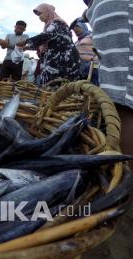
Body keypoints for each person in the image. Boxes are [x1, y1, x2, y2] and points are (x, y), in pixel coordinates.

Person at [83, 0, 133, 168]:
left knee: (125, 101)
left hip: (115, 8)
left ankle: (127, 186)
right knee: (119, 100)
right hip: (106, 8)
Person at [18, 4, 80, 86]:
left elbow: (46, 36)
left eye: (41, 14)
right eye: (38, 15)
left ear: (48, 12)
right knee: (56, 88)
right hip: (59, 59)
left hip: (63, 60)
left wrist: (26, 41)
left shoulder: (57, 23)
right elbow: (45, 41)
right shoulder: (49, 25)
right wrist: (27, 47)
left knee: (59, 87)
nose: (39, 17)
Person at [70, 19, 99, 85]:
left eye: (77, 27)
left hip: (92, 68)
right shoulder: (76, 42)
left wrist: (95, 59)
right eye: (73, 28)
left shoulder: (91, 36)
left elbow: (99, 47)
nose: (75, 29)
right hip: (80, 69)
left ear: (83, 26)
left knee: (93, 88)